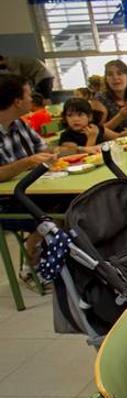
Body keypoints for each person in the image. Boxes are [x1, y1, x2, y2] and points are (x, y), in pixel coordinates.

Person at [0, 74, 57, 279]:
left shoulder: (21, 124)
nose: (32, 98)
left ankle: (44, 254)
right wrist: (27, 162)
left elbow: (44, 150)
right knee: (63, 214)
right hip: (8, 203)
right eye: (28, 94)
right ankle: (36, 261)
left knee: (79, 204)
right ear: (17, 101)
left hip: (35, 191)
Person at [57, 98, 127, 154]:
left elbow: (118, 138)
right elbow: (82, 157)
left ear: (90, 117)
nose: (75, 119)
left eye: (80, 115)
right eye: (70, 115)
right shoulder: (66, 136)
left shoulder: (96, 128)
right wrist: (92, 138)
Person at [96, 60, 127, 132]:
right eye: (110, 74)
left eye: (119, 73)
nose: (115, 77)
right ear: (106, 79)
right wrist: (121, 116)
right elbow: (97, 131)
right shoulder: (100, 99)